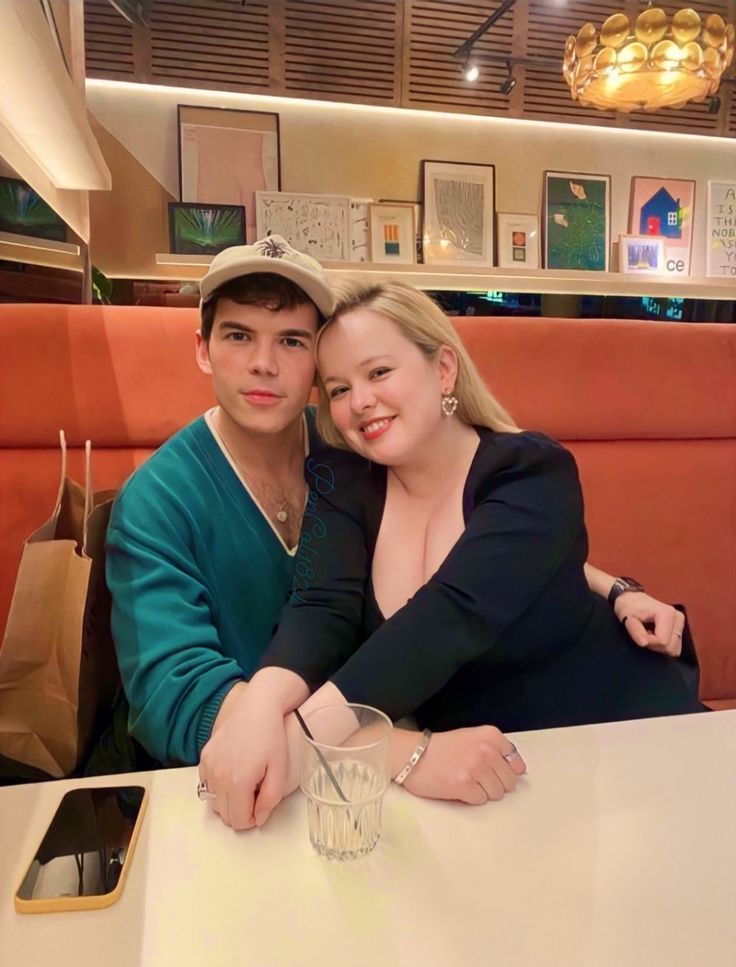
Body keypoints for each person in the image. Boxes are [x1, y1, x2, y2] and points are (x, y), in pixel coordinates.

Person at [205, 279, 704, 829]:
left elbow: (448, 616)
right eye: (339, 388)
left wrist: (298, 744)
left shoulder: (531, 473)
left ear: (443, 370)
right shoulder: (344, 481)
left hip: (621, 753)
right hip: (476, 794)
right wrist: (256, 708)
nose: (360, 401)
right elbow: (320, 610)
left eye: (378, 372)